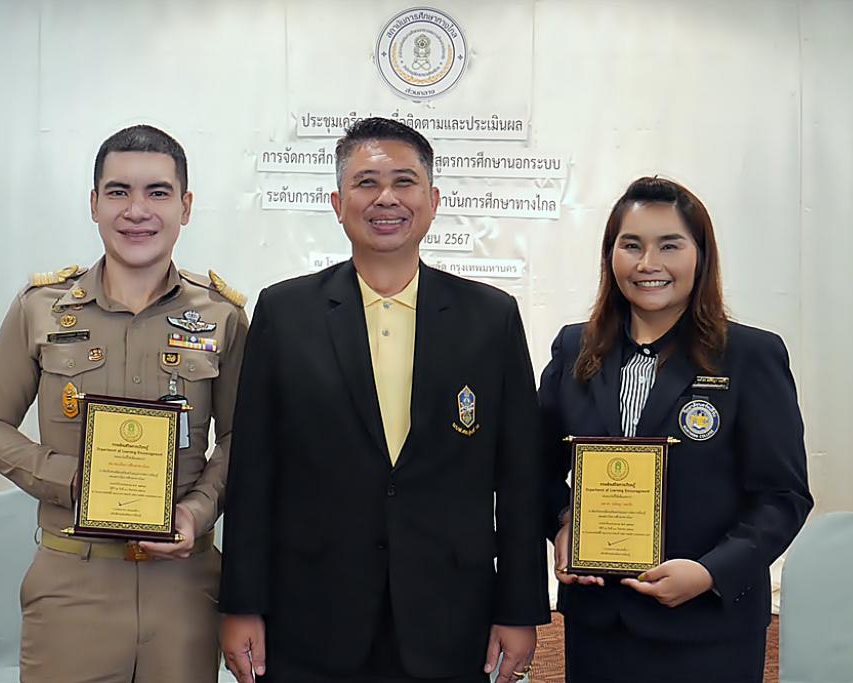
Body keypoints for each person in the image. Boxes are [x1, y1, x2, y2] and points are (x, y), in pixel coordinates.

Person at [218, 117, 549, 683]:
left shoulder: (490, 318)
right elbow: (254, 472)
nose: (387, 198)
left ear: (434, 199)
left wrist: (520, 608)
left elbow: (519, 477)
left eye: (405, 181)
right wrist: (241, 602)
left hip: (449, 614)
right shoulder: (285, 313)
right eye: (366, 183)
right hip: (311, 612)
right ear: (337, 202)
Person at [0, 124, 248, 682]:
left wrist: (197, 510)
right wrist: (75, 480)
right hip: (73, 581)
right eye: (118, 191)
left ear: (185, 206)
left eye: (158, 192)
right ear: (93, 204)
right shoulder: (42, 308)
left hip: (184, 585)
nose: (136, 210)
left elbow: (244, 437)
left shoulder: (222, 316)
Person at [539, 176, 813, 683]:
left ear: (700, 256)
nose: (649, 264)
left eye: (670, 245)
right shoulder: (575, 349)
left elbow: (783, 496)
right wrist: (561, 522)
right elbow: (533, 467)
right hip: (599, 625)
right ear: (610, 255)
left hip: (708, 629)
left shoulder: (750, 356)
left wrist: (711, 572)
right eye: (631, 245)